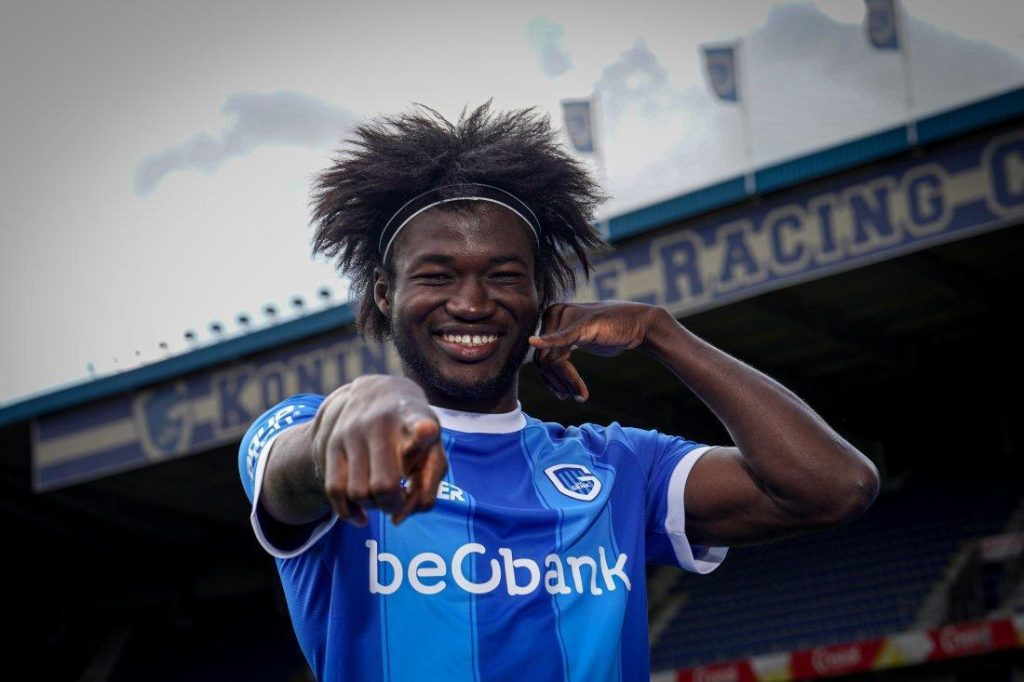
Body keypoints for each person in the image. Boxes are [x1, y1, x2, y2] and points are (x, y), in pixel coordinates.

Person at [237, 103, 880, 682]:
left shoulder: (620, 466)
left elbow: (836, 487)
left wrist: (663, 333)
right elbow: (301, 471)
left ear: (539, 295)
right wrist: (375, 403)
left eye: (503, 275)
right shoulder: (315, 429)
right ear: (385, 294)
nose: (471, 302)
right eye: (437, 275)